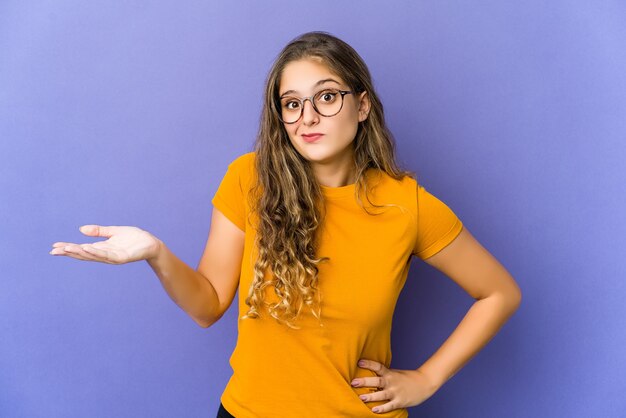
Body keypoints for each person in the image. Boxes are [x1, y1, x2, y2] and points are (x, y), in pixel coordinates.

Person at [49, 31, 522, 417]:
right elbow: (208, 305)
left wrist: (427, 379)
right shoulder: (248, 180)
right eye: (292, 103)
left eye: (327, 97)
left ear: (362, 105)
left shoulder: (407, 206)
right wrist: (156, 253)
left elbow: (500, 292)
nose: (308, 117)